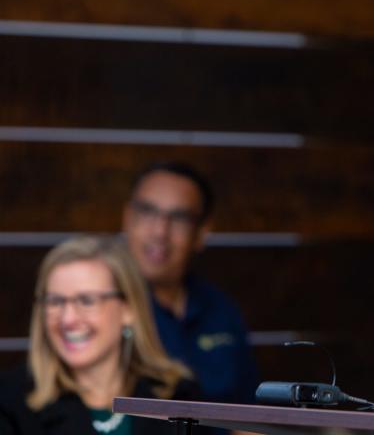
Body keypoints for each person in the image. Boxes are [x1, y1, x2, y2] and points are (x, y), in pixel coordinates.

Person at [0, 235, 195, 435]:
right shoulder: (9, 401)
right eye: (55, 301)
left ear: (128, 309)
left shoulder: (178, 397)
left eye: (86, 301)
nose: (68, 319)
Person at [122, 162, 259, 404]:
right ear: (127, 219)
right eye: (147, 211)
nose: (160, 232)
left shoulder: (221, 310)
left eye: (179, 218)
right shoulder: (103, 306)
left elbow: (249, 412)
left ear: (202, 233)